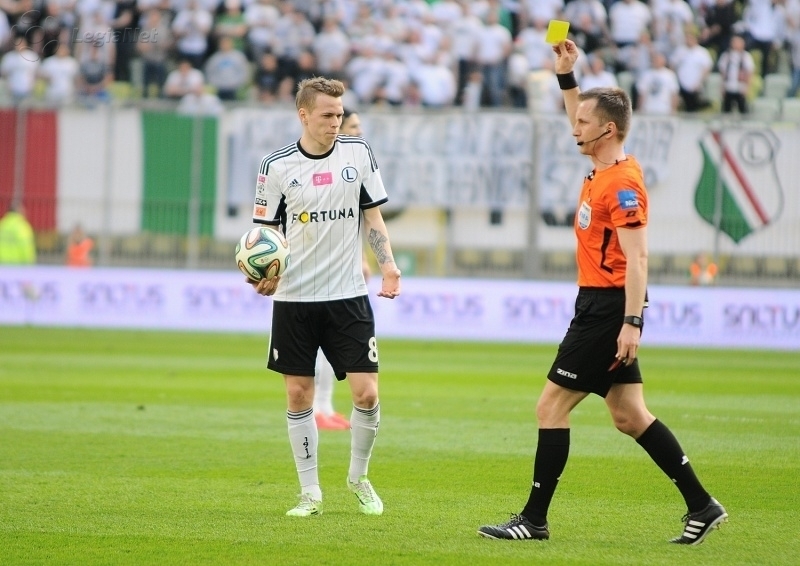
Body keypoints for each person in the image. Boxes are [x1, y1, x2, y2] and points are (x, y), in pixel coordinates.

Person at [477, 39, 727, 545]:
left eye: (584, 124)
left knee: (550, 408)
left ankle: (534, 519)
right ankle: (702, 505)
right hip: (600, 304)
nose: (575, 127)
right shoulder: (601, 169)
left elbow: (638, 258)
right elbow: (579, 114)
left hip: (609, 308)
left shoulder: (622, 185)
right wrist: (567, 76)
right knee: (629, 415)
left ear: (607, 130)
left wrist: (631, 322)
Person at [247, 77, 401, 518]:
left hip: (348, 295)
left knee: (367, 393)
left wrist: (387, 263)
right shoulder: (276, 166)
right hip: (294, 297)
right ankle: (310, 492)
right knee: (298, 394)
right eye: (327, 115)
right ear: (303, 114)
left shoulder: (359, 152)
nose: (336, 123)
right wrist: (266, 273)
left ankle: (359, 476)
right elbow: (266, 234)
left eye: (339, 114)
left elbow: (373, 217)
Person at [312, 108, 373, 431]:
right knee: (322, 341)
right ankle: (316, 408)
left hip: (344, 265)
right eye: (353, 126)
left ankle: (324, 406)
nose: (358, 132)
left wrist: (361, 257)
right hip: (320, 269)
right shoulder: (324, 165)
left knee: (332, 343)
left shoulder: (354, 162)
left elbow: (357, 218)